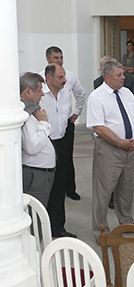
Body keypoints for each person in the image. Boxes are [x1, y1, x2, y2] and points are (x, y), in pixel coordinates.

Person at [87, 59, 134, 238]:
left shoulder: (126, 93)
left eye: (123, 74)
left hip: (130, 148)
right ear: (107, 77)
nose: (123, 78)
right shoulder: (97, 97)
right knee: (104, 191)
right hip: (109, 150)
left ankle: (127, 222)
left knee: (126, 188)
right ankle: (101, 230)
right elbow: (99, 127)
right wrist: (120, 143)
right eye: (119, 75)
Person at [93, 56, 134, 202]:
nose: (122, 77)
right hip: (112, 142)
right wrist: (120, 141)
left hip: (132, 139)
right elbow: (100, 121)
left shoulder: (127, 84)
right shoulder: (98, 87)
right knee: (111, 173)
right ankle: (111, 197)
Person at [44, 45, 86, 202]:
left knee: (66, 159)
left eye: (61, 57)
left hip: (66, 123)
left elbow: (80, 94)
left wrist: (76, 112)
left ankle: (70, 189)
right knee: (50, 160)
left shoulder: (70, 76)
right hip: (48, 128)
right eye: (56, 58)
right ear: (48, 59)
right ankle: (52, 191)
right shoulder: (41, 78)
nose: (60, 60)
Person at [41, 63, 74, 237]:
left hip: (62, 142)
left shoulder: (65, 92)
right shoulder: (41, 95)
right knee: (45, 186)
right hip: (44, 144)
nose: (64, 80)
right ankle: (41, 227)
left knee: (60, 185)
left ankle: (58, 227)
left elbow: (67, 115)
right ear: (49, 78)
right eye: (60, 77)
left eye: (64, 76)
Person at [20, 72, 56, 206]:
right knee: (34, 213)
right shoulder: (26, 114)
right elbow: (32, 147)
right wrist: (43, 123)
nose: (42, 94)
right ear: (28, 92)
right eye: (39, 90)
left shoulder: (32, 111)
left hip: (40, 172)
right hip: (35, 174)